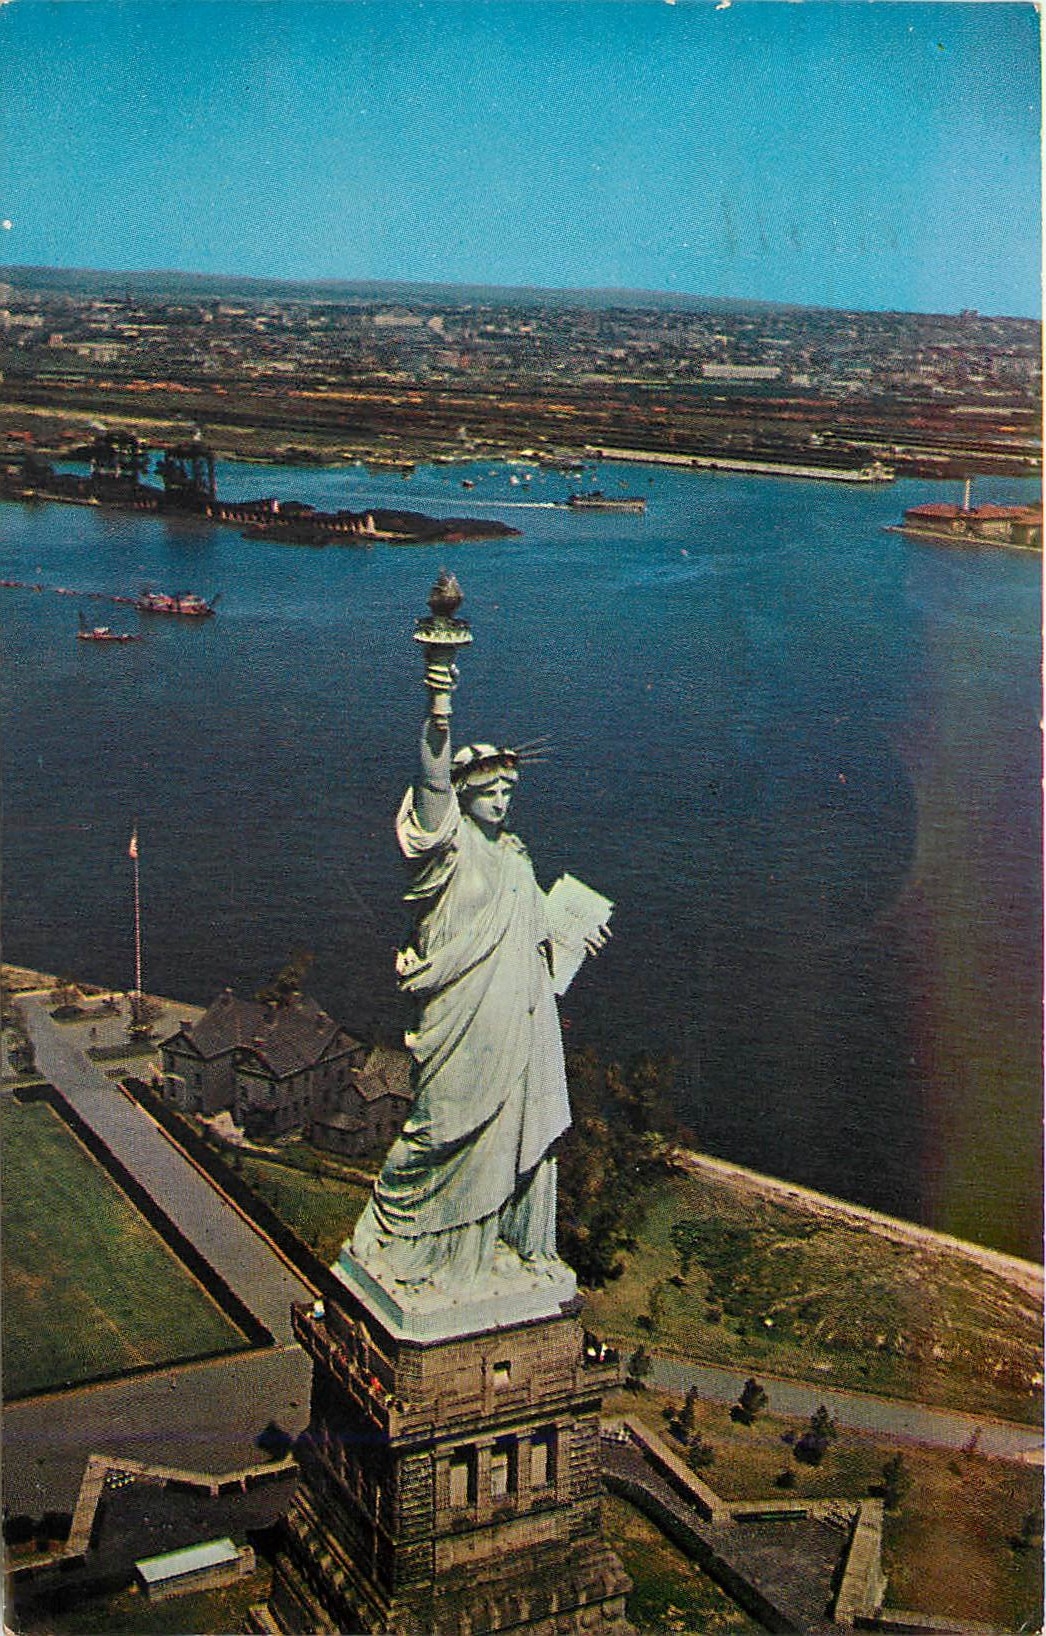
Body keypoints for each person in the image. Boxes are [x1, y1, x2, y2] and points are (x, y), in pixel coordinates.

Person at [350, 705, 607, 1293]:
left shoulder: (516, 855)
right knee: (440, 1127)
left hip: (520, 1009)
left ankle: (498, 1247)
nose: (500, 800)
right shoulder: (449, 848)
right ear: (464, 794)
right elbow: (432, 786)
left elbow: (536, 924)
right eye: (489, 790)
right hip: (462, 1012)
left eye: (507, 790)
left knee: (513, 1125)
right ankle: (401, 1237)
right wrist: (438, 715)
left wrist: (575, 927)